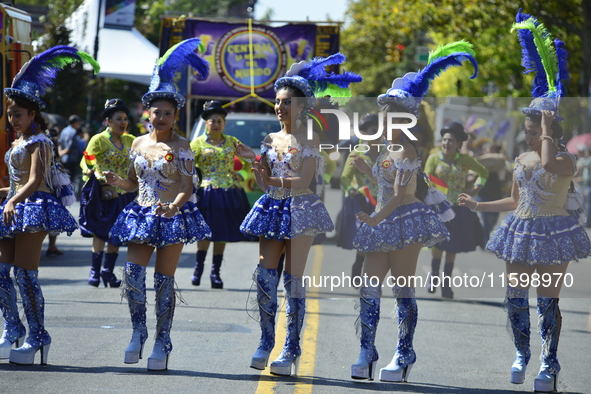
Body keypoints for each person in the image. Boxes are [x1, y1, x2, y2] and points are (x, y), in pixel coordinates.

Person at [459, 11, 591, 392]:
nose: (529, 137)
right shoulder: (520, 159)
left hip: (556, 230)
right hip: (521, 229)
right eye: (529, 131)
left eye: (535, 131)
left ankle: (549, 366)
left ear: (549, 129)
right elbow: (515, 200)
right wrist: (478, 206)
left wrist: (549, 128)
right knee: (515, 297)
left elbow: (550, 162)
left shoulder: (566, 159)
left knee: (547, 301)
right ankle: (522, 353)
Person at [349, 41, 474, 383]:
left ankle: (404, 352)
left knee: (402, 288)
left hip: (403, 218)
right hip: (383, 217)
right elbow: (384, 184)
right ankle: (367, 349)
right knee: (370, 287)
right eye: (384, 113)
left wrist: (375, 218)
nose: (385, 118)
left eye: (392, 114)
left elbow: (401, 192)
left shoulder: (406, 148)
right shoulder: (388, 148)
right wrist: (364, 169)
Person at [240, 53, 360, 376]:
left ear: (302, 106)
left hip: (301, 207)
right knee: (265, 278)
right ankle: (267, 340)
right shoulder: (269, 139)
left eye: (287, 103)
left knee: (293, 281)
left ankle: (291, 347)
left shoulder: (310, 138)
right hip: (272, 206)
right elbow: (264, 176)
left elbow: (304, 180)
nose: (280, 108)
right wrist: (255, 164)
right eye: (277, 102)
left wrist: (270, 179)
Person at [105, 38, 212, 371]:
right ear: (147, 113)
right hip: (141, 213)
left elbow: (187, 184)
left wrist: (175, 206)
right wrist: (116, 182)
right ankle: (138, 332)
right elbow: (132, 183)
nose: (161, 116)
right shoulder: (137, 143)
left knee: (164, 283)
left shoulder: (182, 145)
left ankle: (161, 341)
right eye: (157, 112)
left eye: (168, 112)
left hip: (172, 216)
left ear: (176, 115)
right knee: (133, 276)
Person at [0, 46, 97, 364]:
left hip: (33, 208)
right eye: (10, 113)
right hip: (14, 208)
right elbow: (15, 183)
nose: (13, 119)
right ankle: (13, 328)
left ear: (32, 115)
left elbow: (34, 180)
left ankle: (38, 336)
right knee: (3, 273)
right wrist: (7, 194)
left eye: (19, 114)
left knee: (26, 276)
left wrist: (13, 197)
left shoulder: (40, 141)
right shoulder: (16, 142)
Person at [189, 100, 254, 289]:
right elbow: (186, 166)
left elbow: (250, 158)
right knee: (206, 232)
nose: (216, 124)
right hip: (206, 193)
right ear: (206, 123)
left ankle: (215, 273)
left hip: (228, 192)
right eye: (212, 121)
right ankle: (198, 268)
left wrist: (241, 174)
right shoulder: (197, 143)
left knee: (222, 233)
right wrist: (194, 181)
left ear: (224, 123)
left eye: (219, 121)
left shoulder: (232, 141)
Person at [424, 121, 489, 298]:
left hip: (458, 209)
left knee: (452, 247)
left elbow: (484, 173)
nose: (447, 143)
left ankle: (446, 285)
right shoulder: (434, 158)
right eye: (444, 140)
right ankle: (434, 275)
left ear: (459, 143)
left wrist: (476, 188)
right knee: (437, 243)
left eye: (451, 140)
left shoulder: (465, 160)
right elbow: (426, 178)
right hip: (438, 208)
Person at [79, 99, 137, 287]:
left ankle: (107, 271)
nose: (123, 122)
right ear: (108, 121)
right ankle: (95, 271)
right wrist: (91, 171)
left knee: (117, 233)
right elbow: (87, 159)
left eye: (125, 119)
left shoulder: (130, 140)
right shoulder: (99, 139)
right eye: (118, 118)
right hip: (105, 194)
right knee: (101, 232)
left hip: (125, 194)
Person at [337, 113, 380, 281]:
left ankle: (371, 273)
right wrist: (350, 189)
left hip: (385, 203)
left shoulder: (388, 153)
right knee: (367, 237)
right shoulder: (357, 152)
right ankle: (358, 265)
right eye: (373, 131)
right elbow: (344, 177)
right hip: (364, 202)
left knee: (379, 242)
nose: (377, 135)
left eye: (380, 131)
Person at [58, 114, 82, 181]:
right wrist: (64, 152)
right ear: (75, 122)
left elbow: (59, 143)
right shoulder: (73, 132)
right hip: (71, 160)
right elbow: (70, 148)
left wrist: (61, 153)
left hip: (63, 159)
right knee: (70, 181)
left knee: (63, 179)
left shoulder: (64, 130)